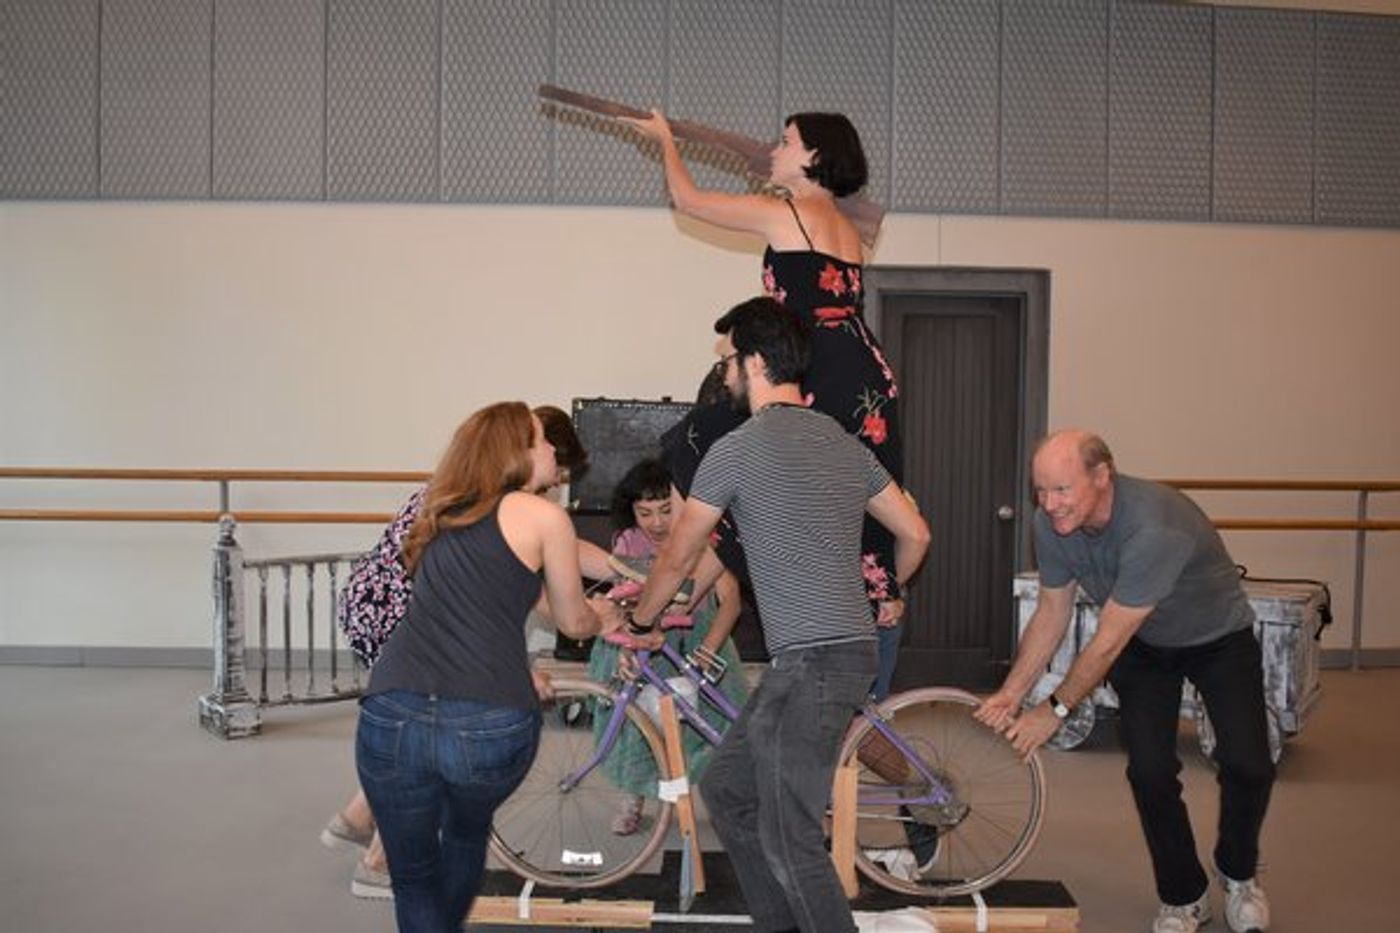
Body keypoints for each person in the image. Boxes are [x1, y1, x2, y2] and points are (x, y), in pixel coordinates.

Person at [599, 297, 930, 933]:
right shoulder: (842, 441)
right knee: (727, 790)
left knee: (790, 836)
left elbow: (676, 558)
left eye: (725, 361)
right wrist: (882, 594)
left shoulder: (736, 449)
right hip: (816, 659)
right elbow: (915, 535)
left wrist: (641, 622)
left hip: (818, 664)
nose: (721, 374)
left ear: (753, 363)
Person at [624, 108, 907, 699]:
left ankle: (685, 583)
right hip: (863, 371)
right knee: (851, 495)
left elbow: (689, 200)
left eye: (786, 143)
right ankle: (872, 596)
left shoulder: (788, 214)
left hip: (809, 370)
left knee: (696, 440)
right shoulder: (845, 226)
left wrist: (665, 142)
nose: (773, 150)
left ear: (813, 157)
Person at [975, 431, 1274, 933]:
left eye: (1062, 490)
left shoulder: (1154, 526)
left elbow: (1108, 639)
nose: (1049, 505)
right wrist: (1012, 691)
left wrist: (1055, 710)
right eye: (1040, 491)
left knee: (1249, 765)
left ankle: (1238, 871)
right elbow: (1053, 612)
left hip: (1218, 636)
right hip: (1146, 647)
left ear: (1102, 476)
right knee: (1150, 771)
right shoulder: (1051, 524)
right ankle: (1184, 896)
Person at [349, 403, 620, 933]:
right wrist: (604, 614)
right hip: (487, 722)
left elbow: (475, 600)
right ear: (515, 452)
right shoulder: (545, 517)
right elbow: (573, 620)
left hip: (390, 712)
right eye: (542, 440)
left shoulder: (438, 506)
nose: (551, 452)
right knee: (466, 837)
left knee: (412, 877)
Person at [585, 458, 748, 835]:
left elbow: (731, 603)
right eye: (644, 513)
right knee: (633, 722)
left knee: (714, 723)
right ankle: (633, 796)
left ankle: (719, 797)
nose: (656, 523)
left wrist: (707, 651)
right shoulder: (628, 543)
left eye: (665, 510)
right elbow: (622, 604)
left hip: (700, 639)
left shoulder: (706, 540)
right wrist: (626, 644)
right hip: (642, 641)